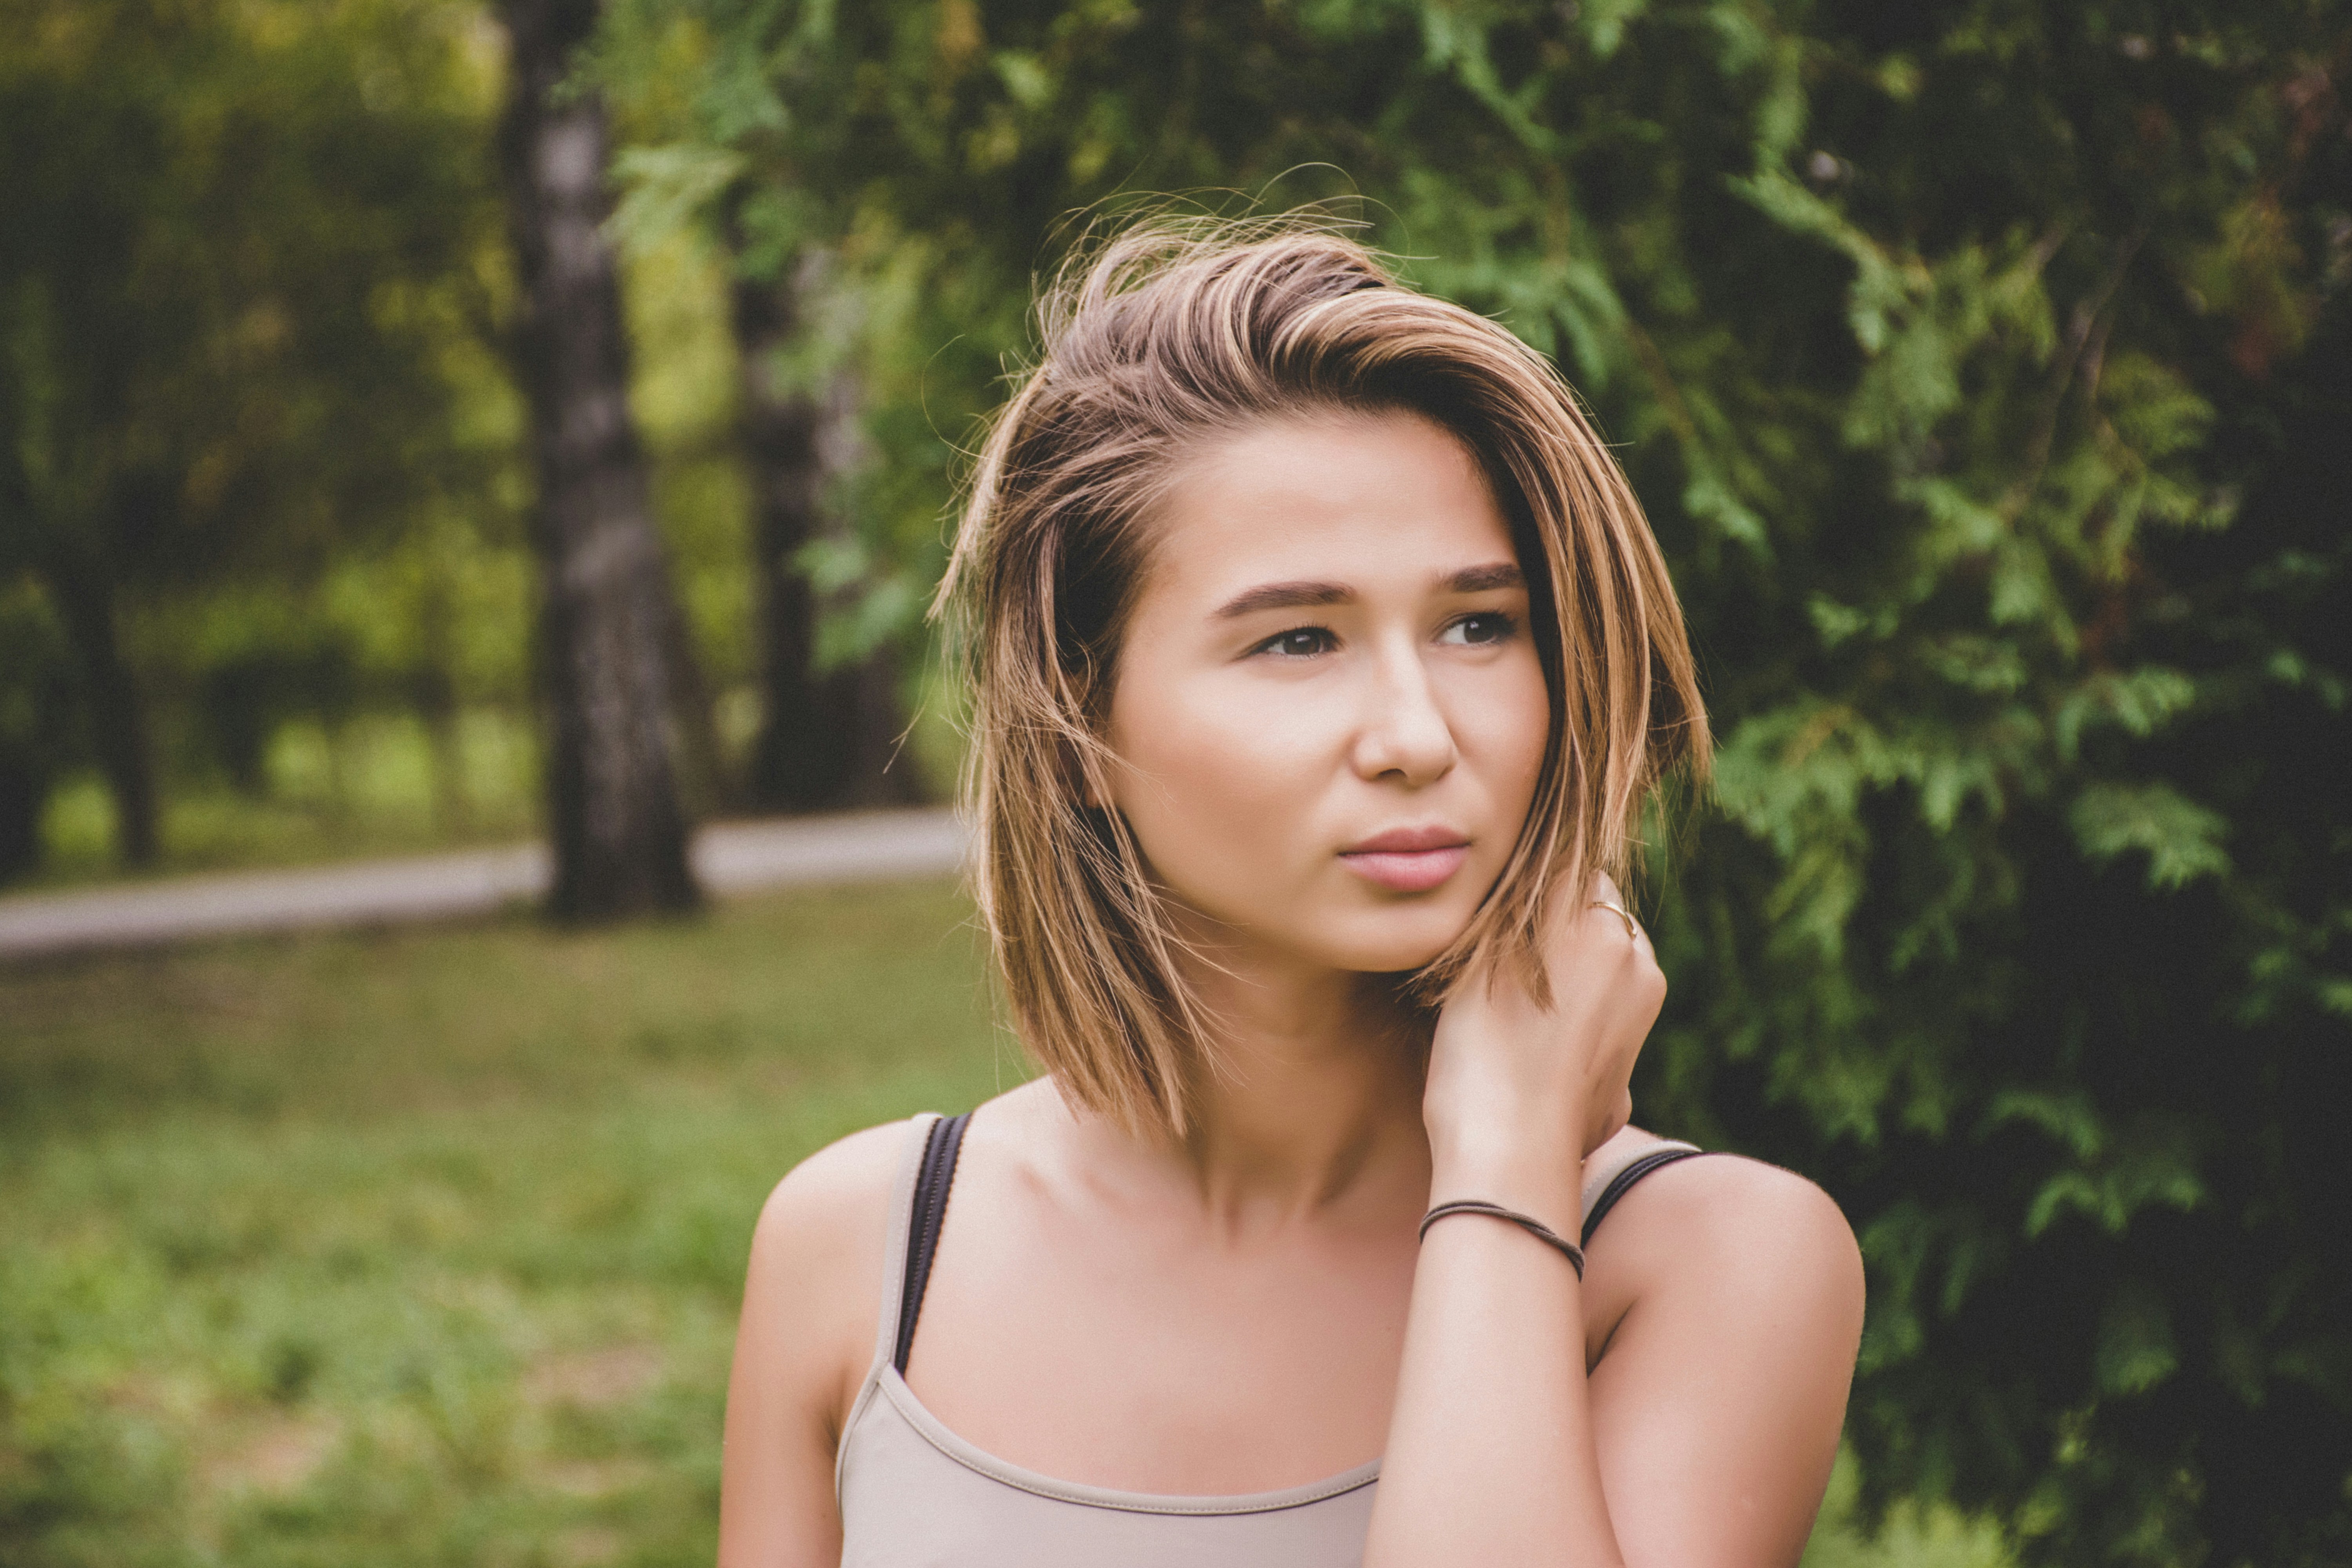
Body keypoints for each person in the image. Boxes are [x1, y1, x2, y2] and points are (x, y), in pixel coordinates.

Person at [717, 218, 1866, 1568]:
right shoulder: (861, 1250)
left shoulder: (1710, 1262)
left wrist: (1504, 1159)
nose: (1419, 734)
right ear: (1077, 718)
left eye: (1479, 625)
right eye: (1300, 638)